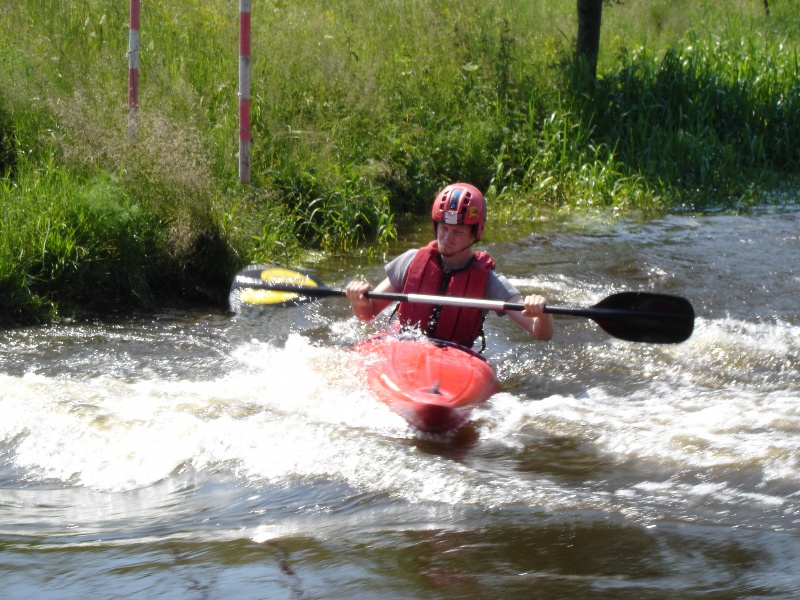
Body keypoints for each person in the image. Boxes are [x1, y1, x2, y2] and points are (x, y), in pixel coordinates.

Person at [345, 183, 554, 349]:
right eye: (443, 228)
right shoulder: (410, 261)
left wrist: (542, 313)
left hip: (456, 356)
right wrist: (357, 299)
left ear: (476, 233)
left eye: (458, 232)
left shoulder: (489, 282)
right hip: (404, 345)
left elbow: (541, 333)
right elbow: (368, 313)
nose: (447, 238)